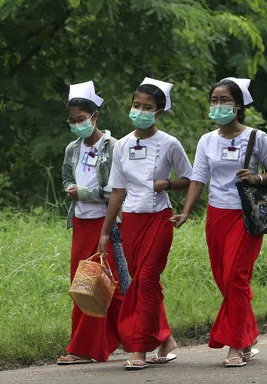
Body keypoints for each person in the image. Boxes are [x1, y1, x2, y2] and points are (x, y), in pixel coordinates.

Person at [170, 77, 267, 367]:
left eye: (224, 100)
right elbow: (198, 179)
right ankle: (248, 335)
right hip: (216, 215)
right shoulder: (207, 140)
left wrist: (257, 178)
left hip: (246, 217)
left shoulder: (256, 137)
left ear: (238, 105)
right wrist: (185, 212)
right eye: (215, 100)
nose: (218, 105)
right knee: (225, 279)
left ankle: (235, 345)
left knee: (236, 276)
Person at [98, 77, 193, 370]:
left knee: (147, 281)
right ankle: (165, 338)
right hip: (131, 222)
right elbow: (117, 190)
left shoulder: (169, 143)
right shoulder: (122, 145)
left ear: (159, 111)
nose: (140, 110)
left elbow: (190, 179)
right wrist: (105, 231)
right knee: (141, 281)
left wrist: (166, 183)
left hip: (159, 219)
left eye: (147, 107)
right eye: (136, 105)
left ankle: (138, 346)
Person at [58, 80, 123, 365]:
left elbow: (115, 190)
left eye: (81, 119)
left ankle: (85, 349)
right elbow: (66, 178)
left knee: (97, 285)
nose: (76, 125)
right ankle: (103, 342)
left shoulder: (113, 147)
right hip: (81, 224)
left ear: (95, 117)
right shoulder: (72, 148)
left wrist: (83, 192)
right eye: (72, 121)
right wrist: (71, 188)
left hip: (105, 223)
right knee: (82, 285)